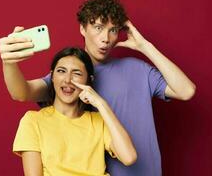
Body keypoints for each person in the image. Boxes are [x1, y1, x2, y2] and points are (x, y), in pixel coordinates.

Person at [0, 0, 196, 175]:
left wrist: (145, 47)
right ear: (83, 28)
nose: (106, 39)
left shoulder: (138, 69)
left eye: (113, 30)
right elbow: (21, 92)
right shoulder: (71, 77)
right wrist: (9, 61)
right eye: (99, 27)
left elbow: (186, 91)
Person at [13, 47, 137, 176]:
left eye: (77, 73)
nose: (67, 80)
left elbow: (129, 157)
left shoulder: (98, 120)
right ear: (52, 77)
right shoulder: (33, 120)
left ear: (89, 80)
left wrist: (101, 104)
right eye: (61, 71)